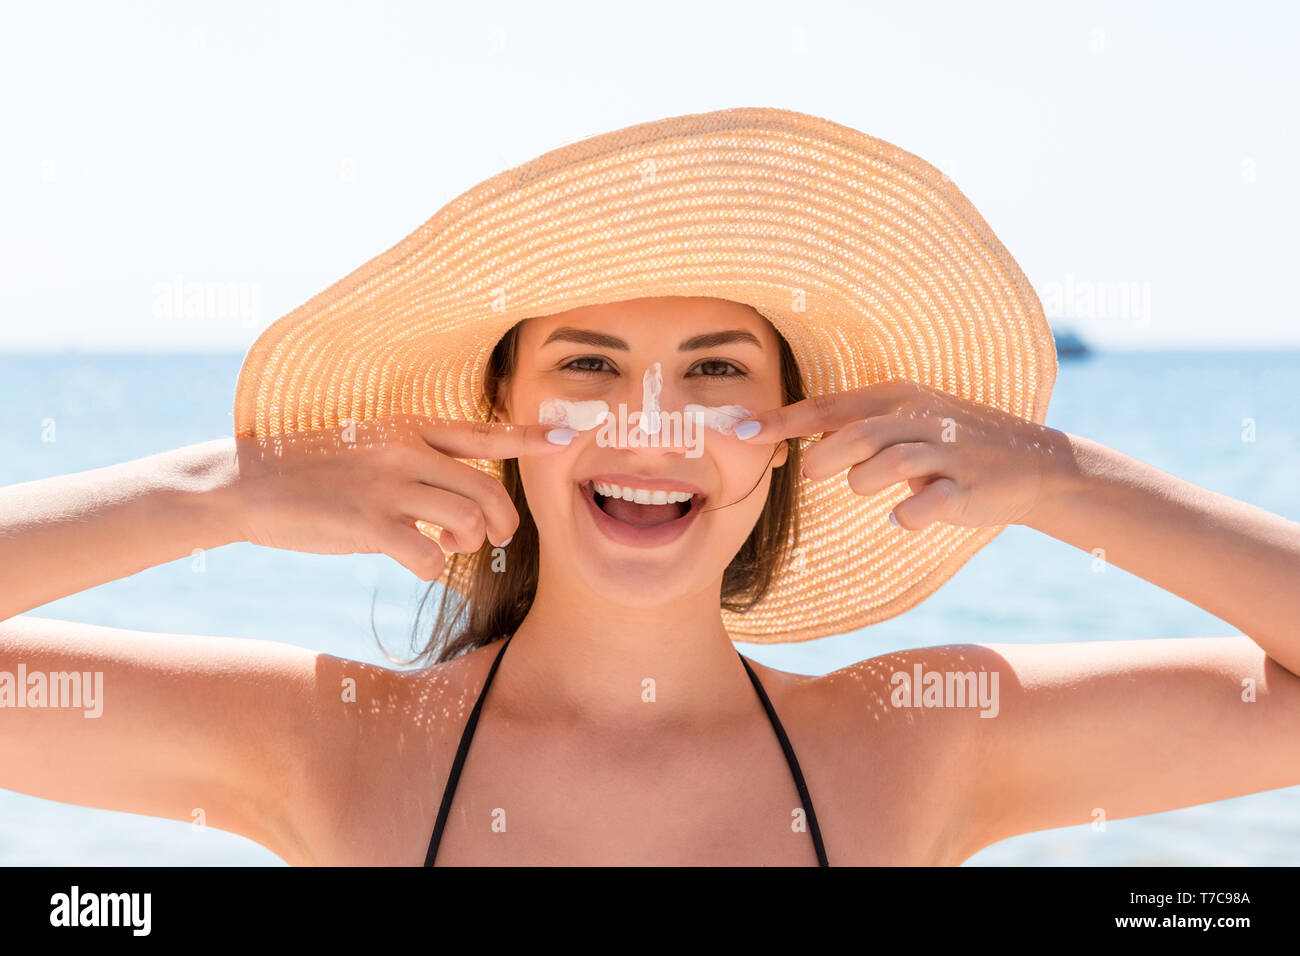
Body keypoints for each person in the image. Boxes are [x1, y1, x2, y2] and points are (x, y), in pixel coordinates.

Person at [4, 108, 1299, 866]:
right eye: (590, 367)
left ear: (784, 436)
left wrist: (1063, 480)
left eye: (717, 371)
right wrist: (214, 493)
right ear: (499, 424)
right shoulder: (329, 743)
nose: (652, 422)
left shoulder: (914, 741)